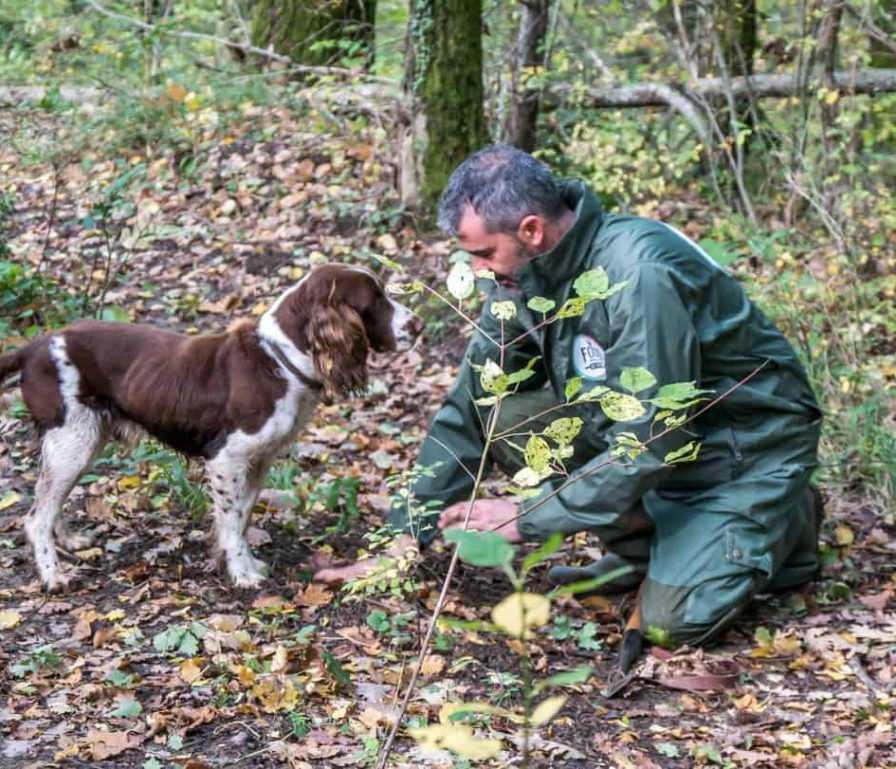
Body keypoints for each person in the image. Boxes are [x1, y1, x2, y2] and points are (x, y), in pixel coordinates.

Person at [315, 144, 822, 650]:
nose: (478, 270)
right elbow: (473, 404)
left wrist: (522, 517)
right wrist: (408, 532)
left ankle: (785, 518)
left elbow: (651, 441)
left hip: (741, 450)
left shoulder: (638, 276)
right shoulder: (518, 279)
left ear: (531, 230)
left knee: (675, 622)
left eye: (483, 253)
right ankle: (648, 548)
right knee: (505, 412)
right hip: (656, 442)